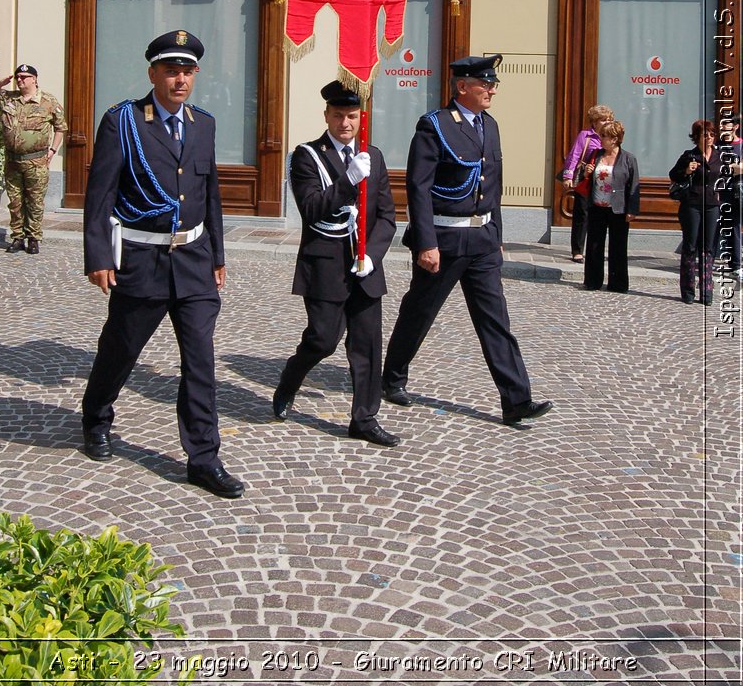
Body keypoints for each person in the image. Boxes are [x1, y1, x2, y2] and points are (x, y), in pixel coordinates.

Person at [81, 30, 244, 499]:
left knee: (200, 362)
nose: (180, 80)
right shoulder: (124, 121)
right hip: (142, 259)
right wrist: (97, 256)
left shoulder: (203, 124)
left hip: (193, 261)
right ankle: (96, 416)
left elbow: (209, 193)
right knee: (121, 348)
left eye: (188, 71)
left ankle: (204, 458)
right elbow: (101, 193)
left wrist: (217, 254)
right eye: (171, 70)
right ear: (152, 73)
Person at [381, 55, 552, 426]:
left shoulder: (489, 126)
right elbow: (418, 187)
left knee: (495, 320)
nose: (492, 89)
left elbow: (494, 185)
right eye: (484, 83)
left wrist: (497, 236)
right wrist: (426, 243)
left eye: (493, 83)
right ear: (462, 87)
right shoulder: (435, 126)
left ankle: (516, 399)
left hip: (482, 241)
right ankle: (392, 377)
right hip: (444, 239)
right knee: (419, 312)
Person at [273, 81, 399, 447]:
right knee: (323, 340)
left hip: (364, 267)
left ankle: (365, 418)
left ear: (361, 118)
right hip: (325, 264)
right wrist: (348, 181)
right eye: (339, 115)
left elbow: (387, 216)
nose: (346, 123)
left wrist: (371, 257)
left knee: (367, 345)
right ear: (327, 116)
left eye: (352, 116)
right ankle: (290, 378)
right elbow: (311, 210)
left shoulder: (372, 155)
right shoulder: (306, 156)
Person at [0, 64, 68, 254]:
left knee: (35, 201)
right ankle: (17, 237)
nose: (20, 80)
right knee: (15, 202)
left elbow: (61, 127)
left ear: (34, 79)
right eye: (18, 77)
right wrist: (0, 83)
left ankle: (33, 238)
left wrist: (52, 150)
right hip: (13, 160)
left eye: (24, 77)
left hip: (36, 161)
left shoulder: (47, 101)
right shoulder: (9, 98)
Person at [581, 119, 640, 293]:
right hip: (597, 205)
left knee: (618, 247)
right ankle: (592, 281)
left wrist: (632, 209)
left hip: (618, 208)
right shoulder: (596, 154)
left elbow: (634, 185)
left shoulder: (628, 158)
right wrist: (586, 173)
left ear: (614, 139)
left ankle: (618, 283)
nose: (600, 139)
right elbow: (584, 177)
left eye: (604, 136)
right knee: (594, 245)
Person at [669, 119, 723, 306]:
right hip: (691, 204)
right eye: (704, 135)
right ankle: (688, 291)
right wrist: (686, 170)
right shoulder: (689, 155)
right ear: (697, 137)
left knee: (708, 249)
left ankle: (707, 291)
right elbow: (673, 175)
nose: (708, 138)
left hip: (712, 205)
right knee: (690, 246)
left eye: (711, 134)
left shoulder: (720, 155)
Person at [560, 104, 615, 262]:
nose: (606, 122)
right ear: (594, 121)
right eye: (603, 120)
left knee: (600, 216)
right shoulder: (586, 136)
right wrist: (568, 176)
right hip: (585, 179)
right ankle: (577, 250)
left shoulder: (611, 137)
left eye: (609, 119)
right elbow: (574, 155)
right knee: (582, 214)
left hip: (604, 181)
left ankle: (596, 249)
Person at [718, 114, 742, 280]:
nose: (723, 130)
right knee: (713, 228)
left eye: (726, 127)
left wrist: (729, 167)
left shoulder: (741, 145)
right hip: (718, 192)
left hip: (737, 193)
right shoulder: (717, 146)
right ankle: (707, 262)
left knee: (734, 227)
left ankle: (736, 265)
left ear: (735, 127)